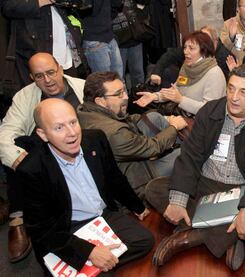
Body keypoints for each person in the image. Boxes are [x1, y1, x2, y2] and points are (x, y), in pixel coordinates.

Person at [145, 64, 245, 271]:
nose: (234, 97)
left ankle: (188, 237)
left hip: (241, 190)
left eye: (243, 92)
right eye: (231, 88)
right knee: (154, 188)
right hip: (205, 184)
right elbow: (190, 156)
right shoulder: (210, 111)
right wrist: (178, 201)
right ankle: (228, 235)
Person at [15, 98, 154, 275]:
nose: (72, 133)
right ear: (43, 134)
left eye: (73, 122)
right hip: (66, 228)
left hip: (103, 215)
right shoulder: (31, 170)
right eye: (59, 128)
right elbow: (41, 229)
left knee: (144, 240)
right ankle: (98, 265)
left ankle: (96, 267)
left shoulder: (95, 139)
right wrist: (88, 251)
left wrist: (137, 206)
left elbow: (114, 177)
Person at [0, 52, 85, 263]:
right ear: (32, 78)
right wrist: (22, 162)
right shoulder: (24, 97)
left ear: (61, 68)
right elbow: (5, 135)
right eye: (39, 76)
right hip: (46, 155)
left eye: (50, 72)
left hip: (83, 150)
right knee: (17, 148)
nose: (47, 80)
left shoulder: (83, 87)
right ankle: (17, 217)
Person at [77, 71, 187, 200]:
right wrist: (174, 127)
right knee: (184, 155)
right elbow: (152, 147)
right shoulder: (114, 132)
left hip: (124, 165)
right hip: (137, 181)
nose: (126, 97)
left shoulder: (85, 110)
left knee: (153, 117)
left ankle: (180, 146)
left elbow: (126, 119)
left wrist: (166, 119)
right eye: (119, 94)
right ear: (100, 101)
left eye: (124, 90)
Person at [1, 0, 89, 89]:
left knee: (69, 91)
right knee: (39, 95)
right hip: (35, 48)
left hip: (65, 47)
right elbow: (8, 7)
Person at [137, 31, 226, 116]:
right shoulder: (187, 66)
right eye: (185, 47)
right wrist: (155, 96)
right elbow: (176, 89)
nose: (185, 52)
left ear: (204, 51)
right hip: (182, 114)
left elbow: (211, 110)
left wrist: (181, 100)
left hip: (200, 123)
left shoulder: (214, 74)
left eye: (191, 48)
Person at [148, 25, 232, 89]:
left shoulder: (224, 58)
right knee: (167, 72)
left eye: (205, 40)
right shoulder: (189, 50)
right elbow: (169, 55)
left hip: (203, 89)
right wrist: (156, 72)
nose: (186, 51)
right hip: (185, 83)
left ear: (215, 41)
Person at [79, 0, 124, 78]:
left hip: (109, 35)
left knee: (119, 80)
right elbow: (86, 8)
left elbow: (116, 5)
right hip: (93, 39)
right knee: (104, 82)